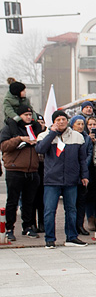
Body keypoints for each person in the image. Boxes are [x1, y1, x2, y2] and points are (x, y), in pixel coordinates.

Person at [35, 110, 90, 248]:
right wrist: (52, 133)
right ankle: (49, 239)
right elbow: (40, 149)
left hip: (71, 179)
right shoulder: (44, 135)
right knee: (49, 210)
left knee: (71, 209)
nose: (61, 122)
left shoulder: (77, 137)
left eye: (63, 119)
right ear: (53, 122)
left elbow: (82, 159)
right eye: (58, 120)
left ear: (67, 121)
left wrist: (84, 175)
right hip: (52, 180)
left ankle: (71, 237)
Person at [0, 103, 43, 240]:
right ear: (19, 116)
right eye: (26, 115)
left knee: (29, 201)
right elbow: (3, 146)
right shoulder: (9, 129)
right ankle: (9, 228)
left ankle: (28, 227)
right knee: (12, 202)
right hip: (15, 170)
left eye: (30, 115)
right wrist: (19, 139)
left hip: (32, 170)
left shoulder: (34, 129)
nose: (29, 117)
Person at [68, 115, 95, 236]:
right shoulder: (68, 136)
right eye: (77, 124)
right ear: (72, 125)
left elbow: (89, 153)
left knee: (81, 202)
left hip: (84, 173)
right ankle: (71, 226)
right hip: (71, 173)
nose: (80, 126)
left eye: (82, 124)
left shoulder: (86, 138)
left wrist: (84, 165)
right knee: (71, 203)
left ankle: (80, 225)